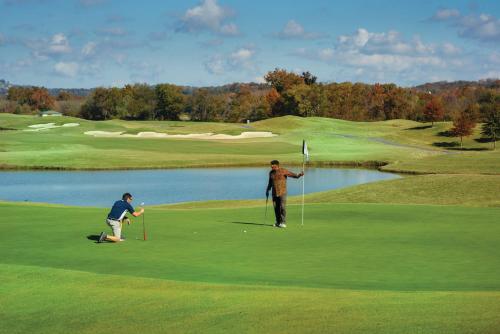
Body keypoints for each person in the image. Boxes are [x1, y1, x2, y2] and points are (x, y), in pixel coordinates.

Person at [266, 160, 304, 228]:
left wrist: (299, 175)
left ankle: (283, 222)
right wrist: (267, 189)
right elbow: (270, 182)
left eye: (273, 165)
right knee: (276, 208)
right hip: (274, 193)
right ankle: (278, 222)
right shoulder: (271, 173)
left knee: (282, 207)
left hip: (282, 192)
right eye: (271, 165)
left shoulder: (283, 170)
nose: (271, 166)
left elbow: (292, 175)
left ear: (277, 165)